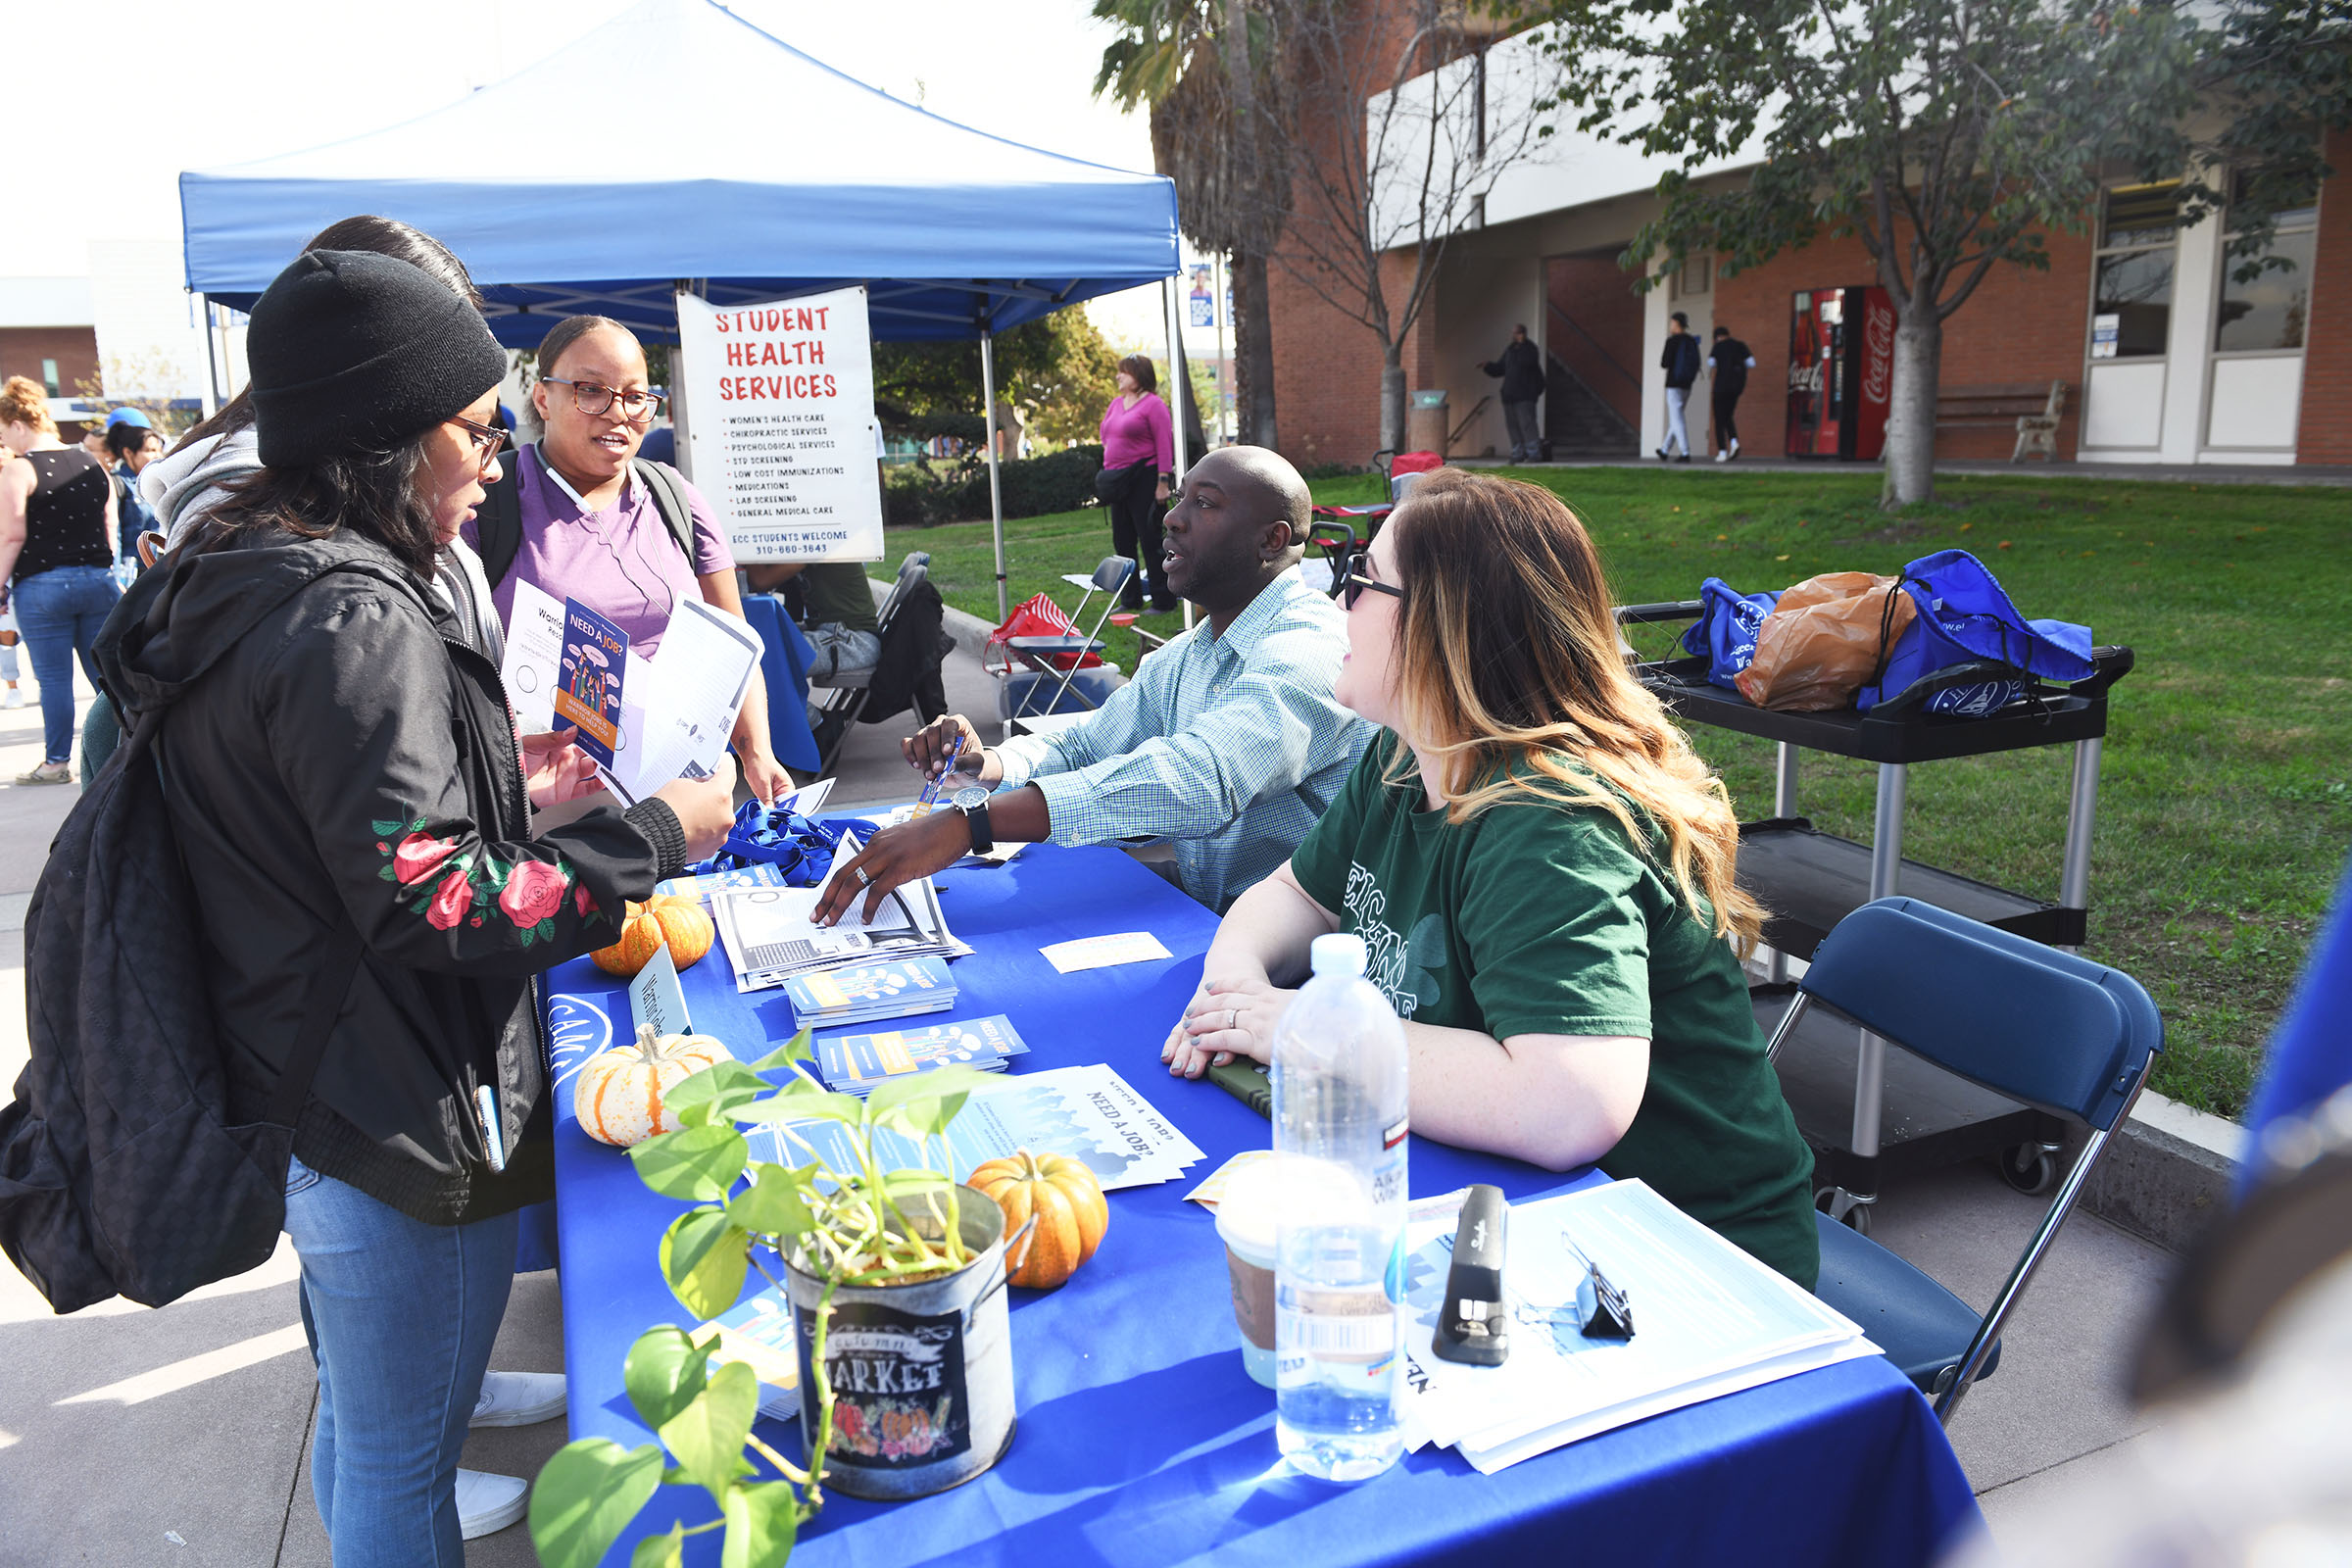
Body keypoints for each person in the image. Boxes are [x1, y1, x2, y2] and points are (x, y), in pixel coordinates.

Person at [97, 248, 736, 1564]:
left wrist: (503, 775)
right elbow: (435, 905)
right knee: (397, 1467)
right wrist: (654, 836)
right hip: (387, 1098)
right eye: (472, 427)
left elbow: (346, 823)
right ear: (388, 439)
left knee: (374, 1429)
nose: (497, 456)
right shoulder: (353, 618)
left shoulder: (255, 567)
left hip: (307, 1058)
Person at [1162, 467, 1819, 1287]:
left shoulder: (1547, 825)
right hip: (1520, 1209)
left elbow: (1567, 1104)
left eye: (1360, 583)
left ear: (1445, 628)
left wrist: (1299, 1030)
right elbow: (1296, 894)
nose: (1335, 607)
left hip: (1681, 1260)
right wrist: (1233, 995)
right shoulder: (1407, 756)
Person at [813, 445, 1373, 923]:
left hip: (1308, 959)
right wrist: (987, 765)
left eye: (1204, 504)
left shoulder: (1313, 650)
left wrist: (972, 824)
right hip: (1213, 919)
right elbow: (1088, 742)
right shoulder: (1192, 652)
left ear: (1272, 540)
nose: (1172, 519)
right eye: (1178, 499)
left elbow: (1202, 778)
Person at [463, 314, 790, 802]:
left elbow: (733, 644)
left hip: (682, 793)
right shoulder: (489, 499)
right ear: (542, 398)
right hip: (547, 797)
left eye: (635, 396)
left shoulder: (675, 497)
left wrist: (756, 750)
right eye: (590, 390)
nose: (618, 413)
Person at [0, 374, 121, 784]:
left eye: (4, 432)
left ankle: (55, 763)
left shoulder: (19, 469)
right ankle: (126, 752)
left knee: (53, 680)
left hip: (41, 586)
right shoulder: (92, 464)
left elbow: (12, 535)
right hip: (97, 581)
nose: (6, 442)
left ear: (19, 424)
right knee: (105, 676)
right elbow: (110, 524)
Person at [1097, 353, 1178, 613]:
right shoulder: (1115, 404)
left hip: (1145, 476)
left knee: (1150, 540)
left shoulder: (1154, 405)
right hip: (1119, 481)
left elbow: (1165, 444)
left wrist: (1162, 482)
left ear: (1139, 375)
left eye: (1125, 371)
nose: (1118, 376)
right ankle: (1129, 599)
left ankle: (1163, 600)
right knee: (1122, 541)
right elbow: (1105, 436)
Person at [1480, 323, 1545, 464]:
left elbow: (1530, 362)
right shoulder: (1510, 350)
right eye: (1514, 333)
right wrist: (1488, 366)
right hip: (1509, 395)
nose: (1515, 335)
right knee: (1512, 425)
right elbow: (1501, 368)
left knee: (1527, 424)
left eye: (1518, 333)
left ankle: (1534, 453)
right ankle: (1518, 453)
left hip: (1525, 395)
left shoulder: (1530, 349)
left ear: (1523, 333)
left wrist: (1521, 345)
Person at [104, 410, 163, 564]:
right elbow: (114, 535)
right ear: (128, 453)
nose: (158, 456)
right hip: (132, 572)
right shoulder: (117, 483)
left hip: (158, 567)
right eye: (150, 450)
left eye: (159, 450)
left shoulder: (158, 482)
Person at [1657, 311, 1700, 463]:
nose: (1670, 326)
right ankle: (1664, 449)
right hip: (1687, 384)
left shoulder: (1672, 341)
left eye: (1671, 323)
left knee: (1677, 418)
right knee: (1677, 417)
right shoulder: (1691, 341)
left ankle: (1685, 452)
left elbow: (1664, 363)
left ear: (1676, 323)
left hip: (1673, 384)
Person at [1709, 324, 1756, 462]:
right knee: (1728, 415)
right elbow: (1751, 363)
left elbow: (1711, 363)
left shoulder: (1718, 347)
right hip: (1736, 388)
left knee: (1719, 419)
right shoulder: (1740, 345)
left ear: (1718, 337)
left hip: (1721, 387)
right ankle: (1734, 442)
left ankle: (1722, 452)